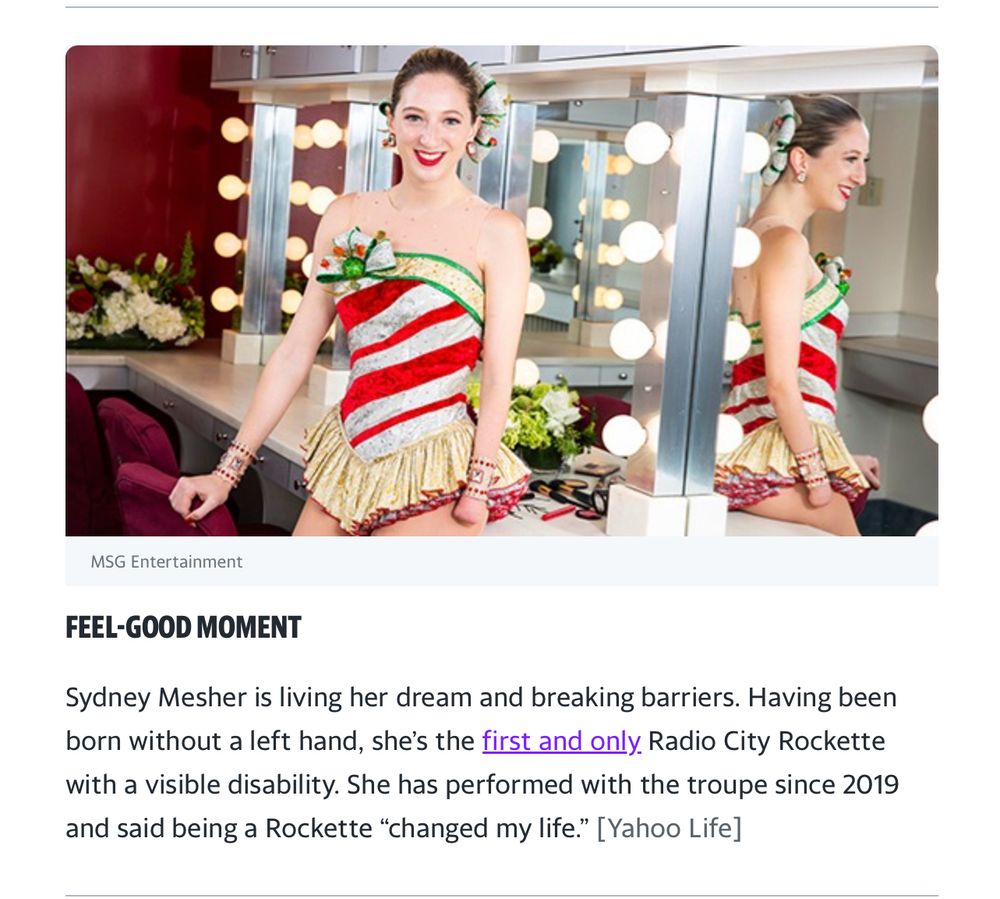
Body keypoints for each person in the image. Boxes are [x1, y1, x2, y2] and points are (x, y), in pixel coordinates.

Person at [170, 48, 531, 536]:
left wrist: (479, 485)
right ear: (392, 124)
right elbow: (296, 351)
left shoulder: (498, 231)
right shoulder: (344, 214)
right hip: (348, 452)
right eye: (414, 117)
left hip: (437, 465)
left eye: (450, 120)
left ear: (473, 129)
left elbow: (498, 372)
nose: (430, 137)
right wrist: (226, 472)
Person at [714, 95, 880, 536]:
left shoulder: (753, 237)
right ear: (800, 159)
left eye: (863, 161)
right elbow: (781, 383)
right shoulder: (785, 244)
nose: (861, 176)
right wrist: (817, 477)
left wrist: (839, 459)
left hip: (757, 442)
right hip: (776, 450)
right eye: (850, 159)